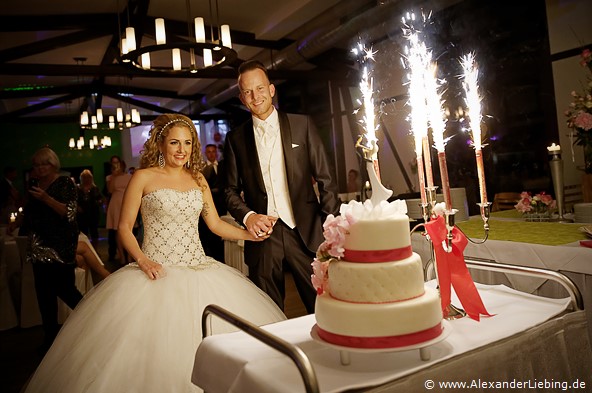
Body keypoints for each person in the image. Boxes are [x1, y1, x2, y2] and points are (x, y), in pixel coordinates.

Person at [24, 114, 285, 393]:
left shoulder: (197, 179)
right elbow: (124, 228)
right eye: (174, 142)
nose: (181, 149)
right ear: (161, 144)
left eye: (187, 143)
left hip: (200, 268)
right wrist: (142, 259)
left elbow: (216, 224)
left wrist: (249, 234)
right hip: (153, 268)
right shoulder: (143, 177)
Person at [224, 60, 340, 313]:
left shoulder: (303, 125)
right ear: (242, 98)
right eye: (248, 92)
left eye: (260, 88)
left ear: (272, 89)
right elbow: (229, 190)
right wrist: (249, 216)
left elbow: (327, 181)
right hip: (263, 238)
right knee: (268, 311)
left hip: (307, 232)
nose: (255, 96)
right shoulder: (235, 139)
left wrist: (328, 230)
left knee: (324, 305)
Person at [16, 147, 83, 353]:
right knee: (44, 296)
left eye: (44, 164)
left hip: (60, 245)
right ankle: (50, 339)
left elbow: (69, 213)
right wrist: (17, 221)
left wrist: (46, 198)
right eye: (36, 165)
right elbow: (29, 212)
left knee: (66, 290)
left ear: (53, 164)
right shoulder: (33, 185)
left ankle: (94, 320)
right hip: (38, 246)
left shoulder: (64, 183)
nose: (39, 168)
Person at [199, 143, 225, 262]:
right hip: (207, 207)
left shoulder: (224, 166)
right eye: (208, 152)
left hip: (222, 207)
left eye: (213, 151)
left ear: (216, 152)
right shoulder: (202, 169)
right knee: (208, 237)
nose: (211, 154)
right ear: (205, 153)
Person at [105, 157, 132, 263]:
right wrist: (114, 177)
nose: (116, 165)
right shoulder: (110, 178)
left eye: (118, 163)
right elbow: (110, 191)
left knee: (129, 229)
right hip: (116, 203)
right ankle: (122, 256)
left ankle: (129, 255)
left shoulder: (129, 176)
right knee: (118, 230)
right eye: (114, 164)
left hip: (127, 202)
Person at [76, 169, 103, 249]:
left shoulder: (94, 188)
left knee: (94, 232)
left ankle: (95, 250)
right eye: (84, 177)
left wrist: (100, 202)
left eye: (88, 177)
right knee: (83, 232)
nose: (86, 179)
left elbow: (99, 199)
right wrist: (77, 207)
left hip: (93, 212)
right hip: (82, 214)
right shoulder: (78, 188)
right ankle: (86, 249)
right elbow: (74, 200)